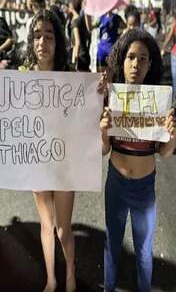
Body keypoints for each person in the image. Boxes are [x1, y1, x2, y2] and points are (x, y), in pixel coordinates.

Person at [0, 10, 102, 292]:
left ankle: (70, 273)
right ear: (31, 41)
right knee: (46, 225)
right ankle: (51, 279)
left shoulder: (71, 78)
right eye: (37, 35)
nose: (42, 41)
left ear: (58, 41)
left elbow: (87, 110)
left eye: (49, 35)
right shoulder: (19, 77)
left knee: (62, 229)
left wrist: (100, 89)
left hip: (65, 163)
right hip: (36, 162)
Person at [100, 29, 176, 292]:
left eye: (143, 58)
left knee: (144, 250)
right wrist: (103, 128)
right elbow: (102, 150)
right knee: (112, 242)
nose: (136, 64)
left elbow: (165, 153)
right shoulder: (112, 98)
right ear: (122, 60)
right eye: (131, 57)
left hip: (145, 187)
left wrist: (173, 135)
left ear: (150, 64)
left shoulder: (159, 102)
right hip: (116, 183)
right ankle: (108, 287)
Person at [69, 0, 91, 72]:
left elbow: (77, 43)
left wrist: (74, 61)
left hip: (80, 57)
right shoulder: (81, 19)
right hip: (85, 55)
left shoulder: (75, 21)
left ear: (72, 5)